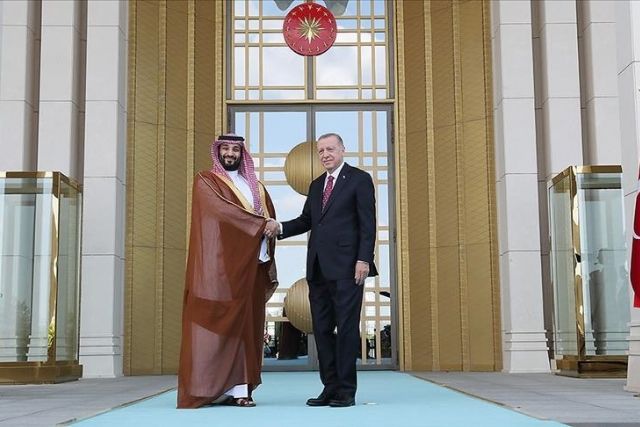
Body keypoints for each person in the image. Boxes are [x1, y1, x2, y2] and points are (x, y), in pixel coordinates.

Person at [264, 132, 377, 408]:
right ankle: (330, 387)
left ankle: (346, 391)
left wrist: (364, 259)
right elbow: (306, 220)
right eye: (321, 151)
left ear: (342, 150)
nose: (325, 154)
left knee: (347, 329)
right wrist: (280, 227)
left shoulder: (359, 179)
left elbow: (368, 224)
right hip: (317, 269)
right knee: (322, 330)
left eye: (330, 149)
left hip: (349, 269)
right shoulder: (316, 186)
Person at [177, 134, 278, 409]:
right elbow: (223, 212)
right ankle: (210, 387)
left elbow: (269, 218)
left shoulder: (256, 186)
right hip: (223, 268)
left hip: (253, 266)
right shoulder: (207, 181)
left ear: (242, 154)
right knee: (221, 327)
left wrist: (269, 225)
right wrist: (261, 225)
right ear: (218, 152)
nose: (230, 153)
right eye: (225, 149)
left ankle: (241, 389)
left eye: (235, 149)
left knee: (247, 328)